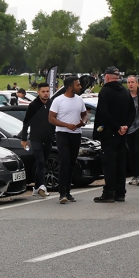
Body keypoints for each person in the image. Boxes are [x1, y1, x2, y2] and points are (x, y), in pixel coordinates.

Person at [92, 66, 135, 203]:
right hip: (122, 134)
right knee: (121, 163)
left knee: (109, 164)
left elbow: (104, 113)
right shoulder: (125, 92)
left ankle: (109, 192)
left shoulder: (105, 91)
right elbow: (132, 112)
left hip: (110, 133)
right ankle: (120, 192)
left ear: (107, 77)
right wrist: (125, 126)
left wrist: (117, 127)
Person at [49, 75, 87, 203]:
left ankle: (68, 191)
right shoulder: (58, 100)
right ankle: (62, 193)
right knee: (64, 161)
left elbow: (84, 114)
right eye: (78, 85)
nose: (80, 87)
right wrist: (66, 125)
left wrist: (83, 121)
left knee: (72, 162)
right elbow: (51, 118)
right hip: (62, 134)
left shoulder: (79, 100)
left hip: (76, 133)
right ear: (70, 87)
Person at [19, 82, 54, 197]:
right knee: (40, 161)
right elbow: (26, 123)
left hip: (48, 138)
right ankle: (42, 186)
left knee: (43, 163)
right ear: (38, 92)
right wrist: (24, 139)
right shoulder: (33, 105)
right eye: (43, 92)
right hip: (36, 138)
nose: (45, 94)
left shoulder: (51, 104)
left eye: (47, 91)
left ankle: (35, 188)